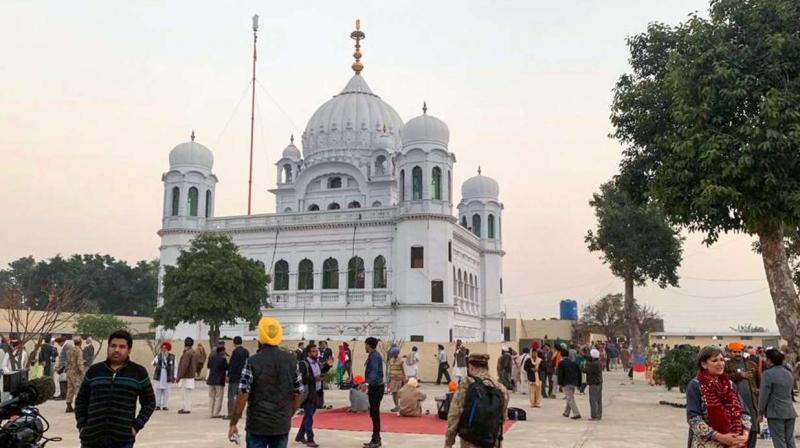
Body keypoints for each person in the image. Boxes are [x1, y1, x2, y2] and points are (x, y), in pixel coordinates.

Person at [228, 316, 302, 448]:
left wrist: (233, 423)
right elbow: (298, 393)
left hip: (257, 425)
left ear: (260, 337)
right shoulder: (292, 361)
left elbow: (242, 395)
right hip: (281, 425)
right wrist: (287, 415)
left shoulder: (252, 361)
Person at [75, 329, 156, 448]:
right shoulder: (94, 371)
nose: (116, 350)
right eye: (113, 346)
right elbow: (81, 400)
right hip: (91, 439)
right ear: (108, 348)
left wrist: (136, 427)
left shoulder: (138, 372)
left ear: (129, 350)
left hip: (122, 440)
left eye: (122, 346)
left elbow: (149, 402)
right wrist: (82, 426)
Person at [686, 345, 751, 448]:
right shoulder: (696, 385)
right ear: (704, 364)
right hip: (706, 443)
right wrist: (720, 436)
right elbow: (693, 418)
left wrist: (745, 434)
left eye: (722, 360)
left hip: (734, 443)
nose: (720, 364)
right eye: (715, 360)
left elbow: (745, 412)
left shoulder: (729, 385)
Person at [445, 353, 509, 448]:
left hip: (470, 441)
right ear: (487, 367)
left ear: (470, 367)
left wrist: (449, 442)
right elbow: (502, 418)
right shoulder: (501, 388)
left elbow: (454, 414)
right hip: (491, 441)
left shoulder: (466, 384)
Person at [296, 342, 334, 447]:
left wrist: (327, 366)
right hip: (308, 394)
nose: (316, 352)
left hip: (316, 393)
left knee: (309, 415)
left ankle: (299, 436)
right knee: (309, 417)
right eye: (313, 351)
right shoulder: (303, 364)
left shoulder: (316, 363)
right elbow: (302, 379)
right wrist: (315, 379)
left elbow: (320, 373)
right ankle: (310, 439)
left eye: (316, 351)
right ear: (308, 353)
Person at [758, 348, 797, 448]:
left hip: (775, 413)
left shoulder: (768, 374)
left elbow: (763, 395)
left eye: (766, 359)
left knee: (779, 442)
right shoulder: (788, 373)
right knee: (790, 440)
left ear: (770, 361)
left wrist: (760, 412)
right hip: (789, 411)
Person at [726, 341, 761, 448]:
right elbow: (724, 379)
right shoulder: (725, 365)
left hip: (752, 404)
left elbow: (759, 383)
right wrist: (739, 375)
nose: (738, 354)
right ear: (729, 352)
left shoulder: (752, 364)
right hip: (734, 405)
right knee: (738, 431)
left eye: (739, 351)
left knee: (753, 430)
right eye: (735, 352)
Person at [360, 336, 384, 448]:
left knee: (375, 414)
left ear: (368, 345)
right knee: (374, 413)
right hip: (375, 387)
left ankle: (376, 439)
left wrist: (367, 383)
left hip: (376, 388)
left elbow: (374, 371)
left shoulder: (374, 356)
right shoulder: (374, 355)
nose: (364, 347)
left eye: (365, 344)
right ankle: (375, 438)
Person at [227, 336, 250, 419]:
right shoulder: (246, 352)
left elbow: (233, 365)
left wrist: (229, 375)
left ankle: (231, 413)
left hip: (235, 377)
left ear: (234, 342)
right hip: (243, 377)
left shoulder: (235, 352)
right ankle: (239, 413)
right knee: (240, 396)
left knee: (231, 396)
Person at [557, 347, 582, 419]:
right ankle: (566, 412)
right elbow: (579, 373)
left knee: (570, 399)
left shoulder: (561, 363)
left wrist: (560, 383)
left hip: (566, 383)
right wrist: (579, 383)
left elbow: (560, 374)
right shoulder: (574, 363)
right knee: (570, 397)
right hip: (573, 382)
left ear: (561, 355)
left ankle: (576, 413)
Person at [177, 337, 198, 414]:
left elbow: (184, 366)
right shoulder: (193, 352)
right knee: (187, 393)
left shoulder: (187, 353)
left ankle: (186, 408)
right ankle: (186, 407)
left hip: (186, 376)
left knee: (185, 394)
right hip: (191, 376)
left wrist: (179, 376)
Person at [152, 341, 176, 411]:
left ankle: (165, 405)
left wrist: (174, 376)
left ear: (168, 349)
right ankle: (157, 405)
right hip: (159, 375)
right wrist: (156, 363)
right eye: (163, 349)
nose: (164, 350)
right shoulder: (159, 356)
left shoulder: (172, 357)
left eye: (165, 349)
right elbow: (153, 363)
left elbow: (175, 367)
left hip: (167, 375)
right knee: (158, 390)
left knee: (166, 391)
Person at [207, 345, 229, 418]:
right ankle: (216, 413)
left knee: (211, 397)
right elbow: (226, 367)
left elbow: (208, 366)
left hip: (211, 379)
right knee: (218, 397)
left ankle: (210, 412)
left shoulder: (211, 357)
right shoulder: (223, 359)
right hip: (219, 380)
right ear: (222, 351)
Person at [583, 348, 603, 420]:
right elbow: (590, 358)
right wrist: (584, 355)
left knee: (593, 400)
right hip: (599, 383)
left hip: (593, 383)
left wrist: (582, 365)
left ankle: (594, 415)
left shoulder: (593, 365)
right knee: (598, 400)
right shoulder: (598, 362)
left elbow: (584, 370)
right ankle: (599, 414)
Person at [66, 336, 84, 413]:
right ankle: (78, 407)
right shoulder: (79, 351)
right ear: (80, 342)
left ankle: (68, 405)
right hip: (76, 373)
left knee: (70, 389)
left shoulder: (70, 350)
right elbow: (79, 362)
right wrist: (82, 372)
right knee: (77, 389)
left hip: (69, 371)